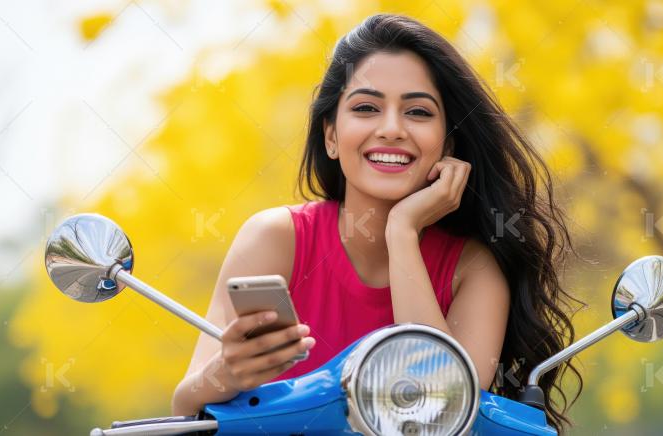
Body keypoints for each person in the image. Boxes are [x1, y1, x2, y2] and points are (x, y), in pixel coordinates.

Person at [172, 13, 580, 430]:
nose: (391, 129)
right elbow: (185, 407)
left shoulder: (474, 269)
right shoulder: (276, 238)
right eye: (366, 107)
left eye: (418, 112)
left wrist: (402, 231)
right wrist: (225, 373)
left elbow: (436, 411)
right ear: (331, 135)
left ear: (448, 144)